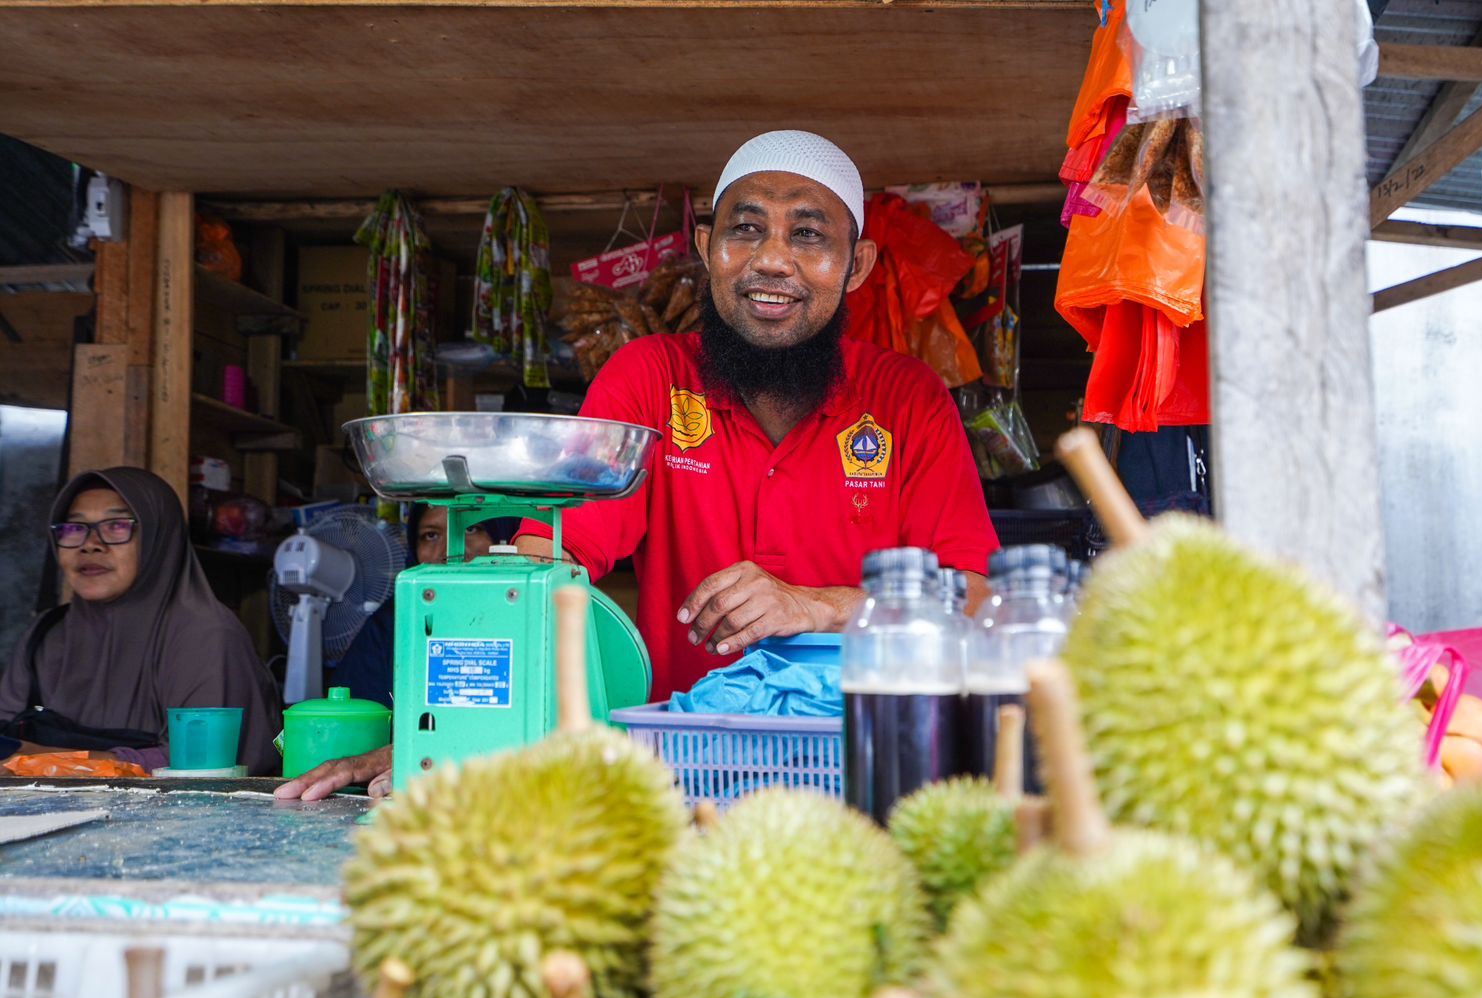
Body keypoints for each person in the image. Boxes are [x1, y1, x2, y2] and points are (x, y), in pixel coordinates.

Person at [278, 130, 999, 800]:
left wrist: (817, 605)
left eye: (808, 234)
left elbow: (978, 600)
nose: (772, 258)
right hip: (676, 779)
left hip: (867, 769)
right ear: (708, 244)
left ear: (858, 264)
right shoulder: (650, 377)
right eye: (746, 229)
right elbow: (539, 568)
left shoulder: (908, 400)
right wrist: (446, 733)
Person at [0, 468, 282, 773]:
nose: (90, 544)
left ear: (159, 537)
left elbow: (200, 766)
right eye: (73, 528)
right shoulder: (45, 633)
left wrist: (46, 759)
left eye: (117, 525)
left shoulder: (204, 634)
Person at [330, 504, 517, 707]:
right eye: (431, 535)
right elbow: (358, 718)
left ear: (504, 538)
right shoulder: (393, 622)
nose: (449, 551)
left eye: (470, 529)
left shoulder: (530, 613)